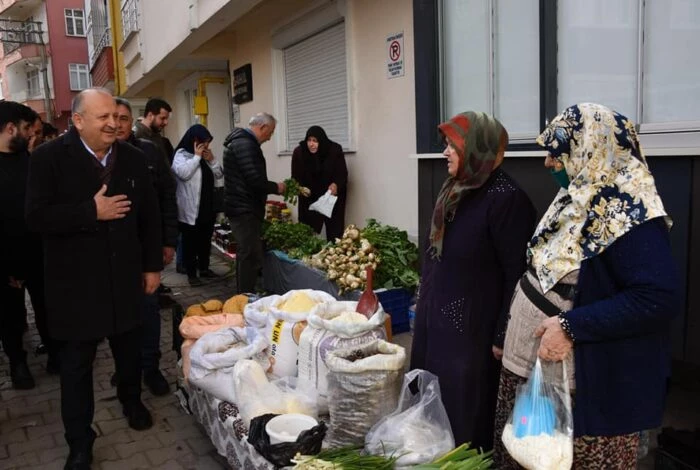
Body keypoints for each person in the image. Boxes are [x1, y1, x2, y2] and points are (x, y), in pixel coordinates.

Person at [492, 103, 679, 469]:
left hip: (583, 390)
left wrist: (570, 326)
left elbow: (658, 297)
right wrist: (507, 329)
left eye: (556, 152)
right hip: (530, 371)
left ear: (591, 149)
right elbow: (535, 272)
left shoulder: (630, 216)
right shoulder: (576, 197)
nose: (548, 162)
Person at [26, 88, 162, 469]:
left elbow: (148, 217)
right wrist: (90, 211)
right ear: (79, 120)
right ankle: (80, 442)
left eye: (116, 117)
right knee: (75, 368)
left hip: (124, 282)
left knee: (129, 353)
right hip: (75, 287)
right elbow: (35, 218)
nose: (112, 123)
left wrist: (152, 267)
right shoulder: (48, 158)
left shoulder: (133, 158)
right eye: (102, 117)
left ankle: (131, 401)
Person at [410, 111, 536, 450]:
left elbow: (517, 272)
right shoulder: (457, 188)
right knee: (430, 402)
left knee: (464, 413)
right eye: (446, 144)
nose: (444, 152)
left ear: (478, 149)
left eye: (453, 145)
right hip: (437, 316)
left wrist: (502, 333)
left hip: (470, 331)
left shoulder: (507, 199)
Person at [114, 97, 178, 395]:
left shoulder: (150, 151)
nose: (116, 124)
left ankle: (151, 368)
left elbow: (166, 196)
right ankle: (125, 368)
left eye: (123, 118)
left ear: (132, 121)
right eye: (111, 117)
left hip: (144, 250)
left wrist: (168, 241)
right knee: (117, 316)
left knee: (148, 310)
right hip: (110, 255)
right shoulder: (95, 157)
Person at [0, 101, 44, 389]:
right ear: (10, 128)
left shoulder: (33, 163)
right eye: (26, 128)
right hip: (6, 263)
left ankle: (56, 352)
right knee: (11, 317)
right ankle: (18, 363)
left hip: (39, 255)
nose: (30, 134)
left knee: (47, 308)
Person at [223, 113, 286, 293]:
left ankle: (245, 293)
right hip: (244, 207)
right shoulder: (245, 145)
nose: (270, 137)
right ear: (262, 127)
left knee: (248, 252)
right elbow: (254, 179)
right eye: (271, 132)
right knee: (249, 253)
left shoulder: (240, 142)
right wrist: (277, 187)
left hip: (241, 205)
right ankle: (245, 297)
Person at [172, 124, 223, 287]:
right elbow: (184, 174)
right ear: (194, 140)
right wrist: (196, 157)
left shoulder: (206, 156)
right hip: (190, 208)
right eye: (204, 142)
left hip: (207, 206)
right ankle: (192, 274)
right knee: (190, 243)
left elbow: (219, 174)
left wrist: (212, 160)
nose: (206, 146)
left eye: (208, 142)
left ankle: (205, 268)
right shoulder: (181, 155)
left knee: (205, 240)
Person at [134, 98, 177, 289]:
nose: (165, 122)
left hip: (161, 203)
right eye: (162, 118)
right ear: (150, 115)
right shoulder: (137, 140)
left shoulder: (156, 137)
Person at [291, 125, 348, 241]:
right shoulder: (300, 152)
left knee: (334, 230)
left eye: (315, 141)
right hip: (309, 195)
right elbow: (295, 176)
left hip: (330, 195)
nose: (311, 144)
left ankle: (334, 252)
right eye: (309, 140)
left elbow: (342, 173)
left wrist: (336, 184)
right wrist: (298, 188)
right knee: (307, 230)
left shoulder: (334, 150)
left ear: (322, 141)